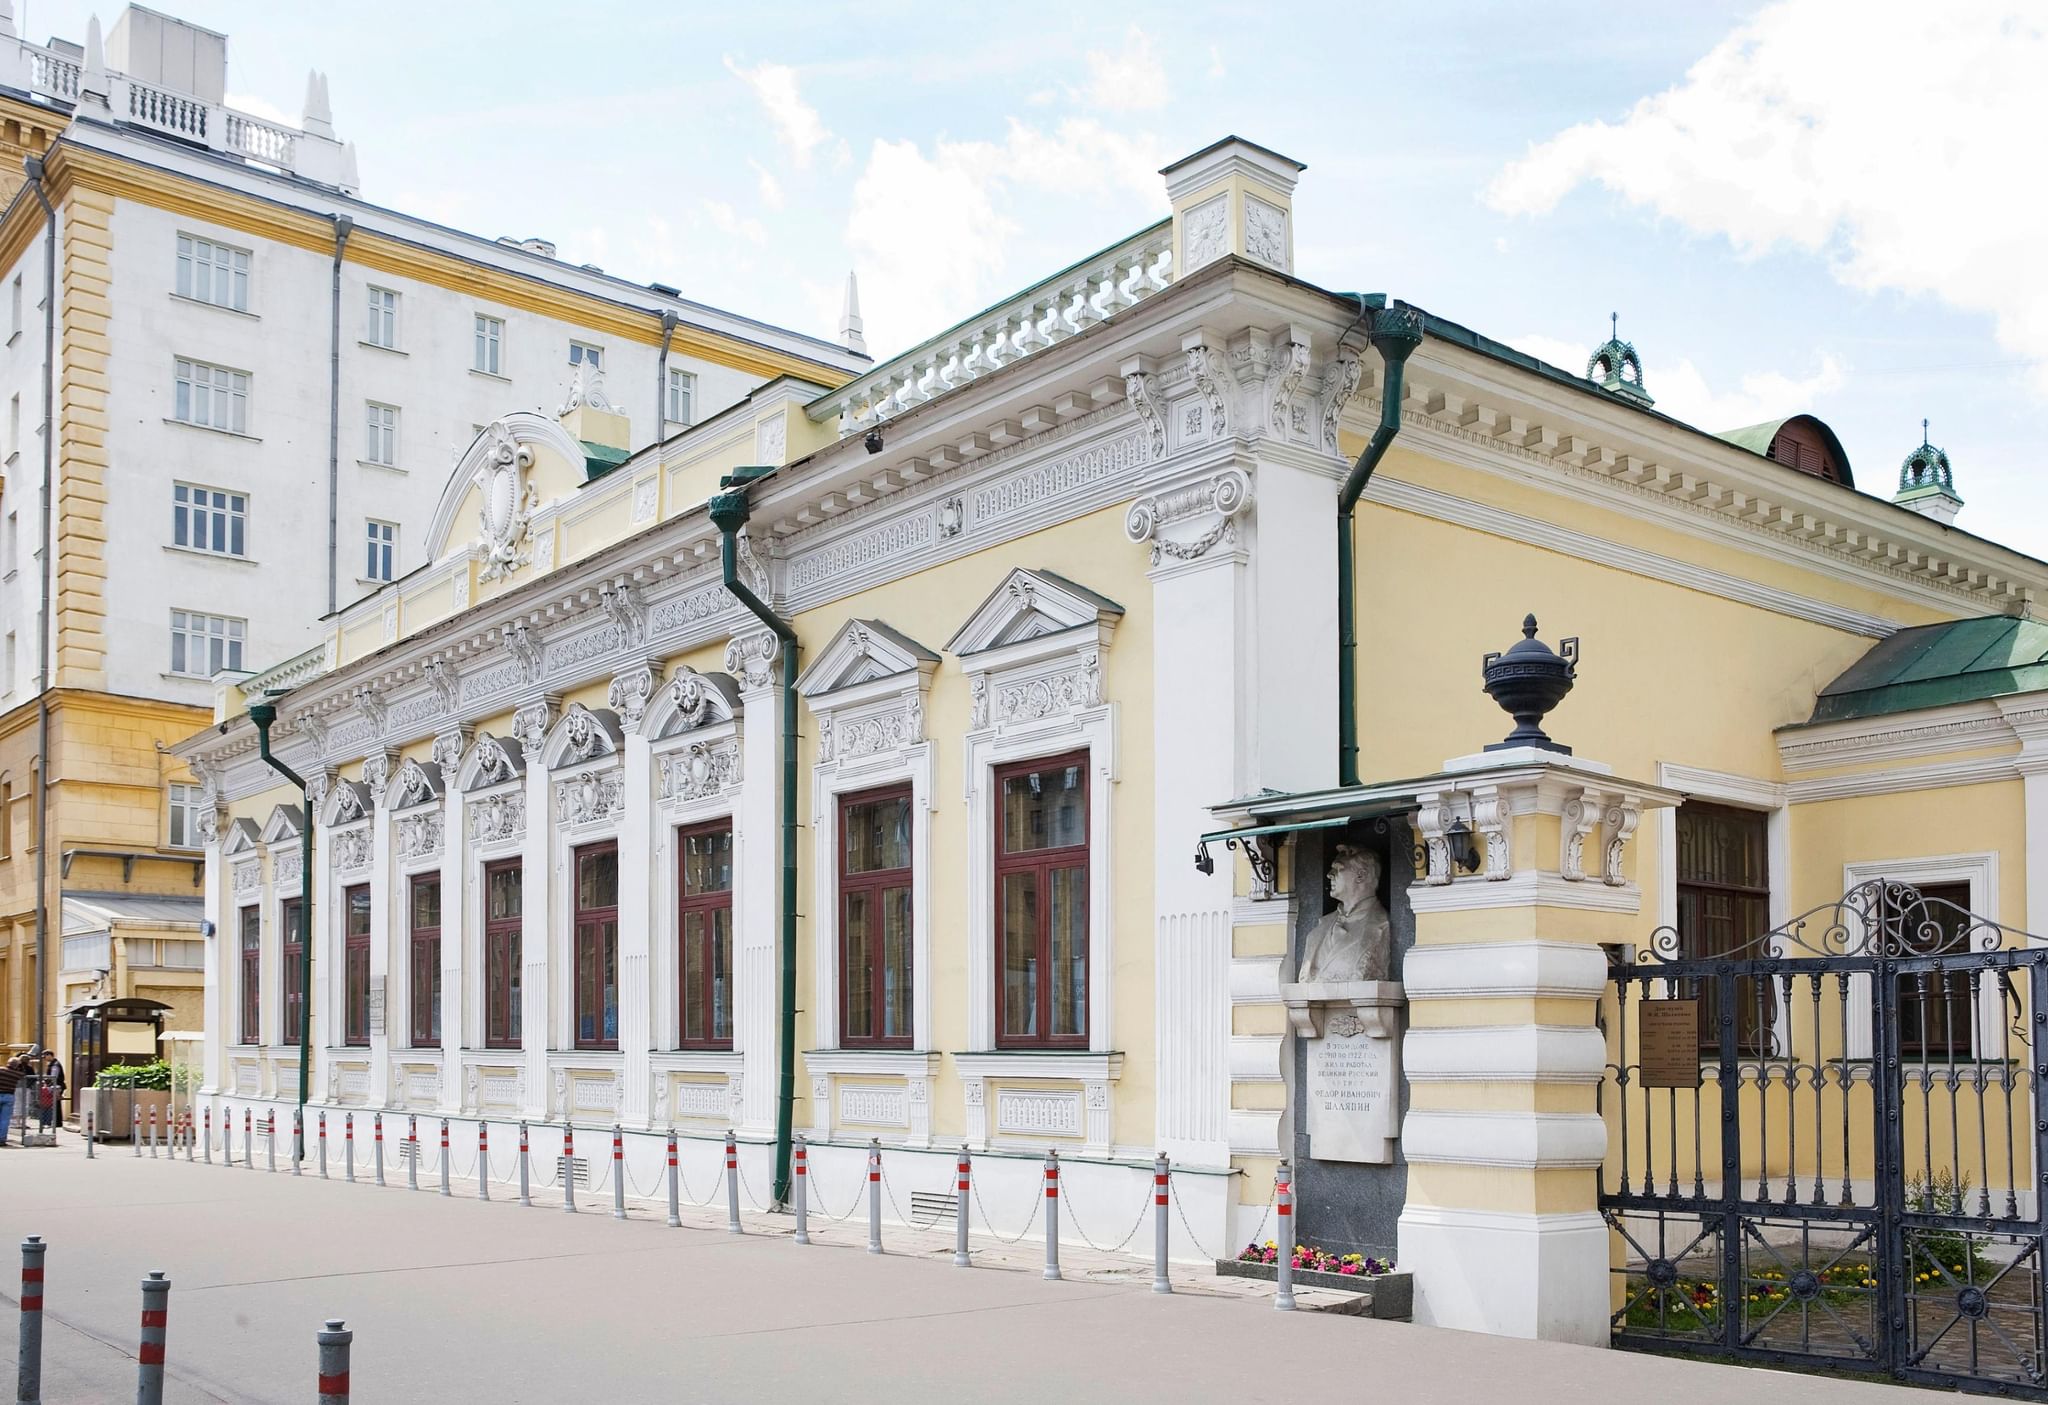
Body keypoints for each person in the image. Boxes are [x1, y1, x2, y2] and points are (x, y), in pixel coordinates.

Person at [1297, 844, 1393, 983]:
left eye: (1338, 869)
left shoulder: (1381, 925)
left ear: (1361, 876)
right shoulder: (1319, 929)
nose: (1329, 874)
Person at [35, 1053, 65, 1131]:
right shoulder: (53, 1064)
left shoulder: (55, 1065)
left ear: (49, 1055)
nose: (45, 1059)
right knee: (55, 1104)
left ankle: (57, 1122)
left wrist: (47, 1083)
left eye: (45, 1057)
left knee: (55, 1104)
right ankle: (57, 1122)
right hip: (55, 1086)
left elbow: (53, 1076)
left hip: (55, 1086)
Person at [0, 1055, 22, 1147]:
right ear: (17, 1066)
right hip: (9, 1096)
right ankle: (1, 1139)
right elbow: (23, 1073)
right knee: (5, 1120)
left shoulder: (1, 1070)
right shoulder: (17, 1074)